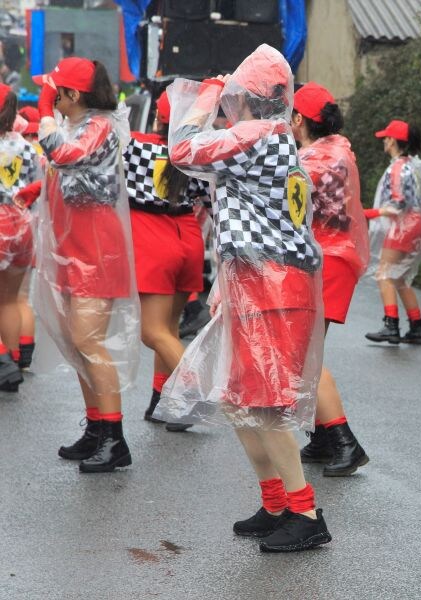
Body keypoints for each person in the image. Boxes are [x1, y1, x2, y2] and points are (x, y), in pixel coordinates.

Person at [159, 44, 331, 552]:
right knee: (241, 403)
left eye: (234, 95)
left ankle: (304, 511)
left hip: (273, 288)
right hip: (258, 284)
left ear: (247, 97)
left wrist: (207, 91)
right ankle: (276, 501)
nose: (227, 103)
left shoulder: (256, 135)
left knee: (267, 407)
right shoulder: (269, 138)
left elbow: (183, 148)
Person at [31, 57, 140, 472]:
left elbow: (65, 154)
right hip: (72, 242)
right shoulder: (81, 124)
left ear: (73, 95)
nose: (52, 96)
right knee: (78, 343)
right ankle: (96, 427)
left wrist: (43, 115)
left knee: (88, 340)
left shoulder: (99, 126)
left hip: (96, 246)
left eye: (56, 90)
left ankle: (114, 437)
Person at [290, 81, 369, 477]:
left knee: (307, 357)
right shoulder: (337, 150)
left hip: (325, 260)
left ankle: (343, 440)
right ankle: (323, 436)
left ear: (300, 119)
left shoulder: (314, 159)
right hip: (336, 259)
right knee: (310, 351)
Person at [123, 90, 207, 432]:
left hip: (153, 236)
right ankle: (161, 399)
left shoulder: (134, 146)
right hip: (188, 235)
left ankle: (194, 391)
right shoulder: (197, 153)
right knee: (169, 329)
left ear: (158, 117)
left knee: (152, 332)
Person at [364, 119, 421, 345]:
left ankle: (391, 325)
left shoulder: (397, 168)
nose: (383, 141)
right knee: (400, 278)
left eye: (386, 137)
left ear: (392, 141)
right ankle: (416, 327)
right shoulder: (409, 165)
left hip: (404, 225)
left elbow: (398, 204)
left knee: (384, 274)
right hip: (414, 224)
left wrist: (369, 213)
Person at [0, 83, 42, 391]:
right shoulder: (27, 147)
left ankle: (4, 364)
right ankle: (11, 364)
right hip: (22, 225)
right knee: (9, 300)